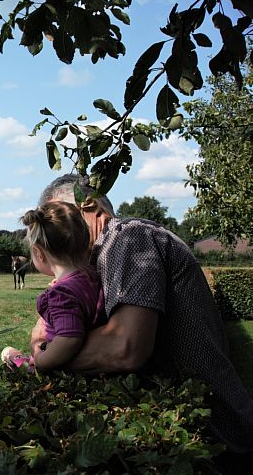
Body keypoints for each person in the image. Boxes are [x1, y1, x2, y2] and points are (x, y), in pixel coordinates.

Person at [31, 173, 253, 473]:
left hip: (218, 443)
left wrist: (44, 353)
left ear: (91, 207)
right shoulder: (99, 258)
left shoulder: (127, 238)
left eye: (60, 222)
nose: (56, 236)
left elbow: (124, 348)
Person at [2, 201, 105, 370]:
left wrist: (41, 361)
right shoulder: (92, 276)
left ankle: (13, 356)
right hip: (77, 358)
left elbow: (69, 339)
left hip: (54, 366)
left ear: (39, 253)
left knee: (12, 355)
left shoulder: (62, 295)